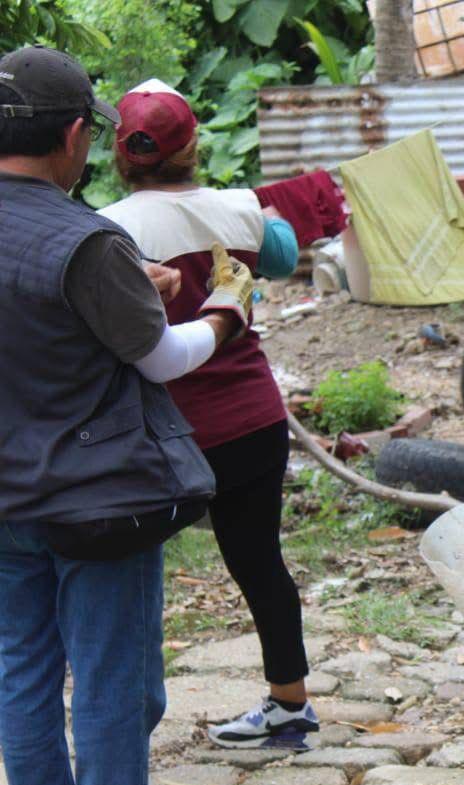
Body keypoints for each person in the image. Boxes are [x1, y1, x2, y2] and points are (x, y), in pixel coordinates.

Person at [0, 46, 251, 785]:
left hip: (7, 495)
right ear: (75, 135)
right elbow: (163, 358)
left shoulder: (94, 246)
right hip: (98, 499)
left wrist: (124, 284)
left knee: (23, 676)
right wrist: (226, 314)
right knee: (116, 689)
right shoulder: (86, 239)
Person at [100, 79, 319, 750]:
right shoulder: (242, 208)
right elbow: (281, 256)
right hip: (254, 415)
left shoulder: (109, 226)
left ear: (120, 153)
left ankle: (120, 719)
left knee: (126, 574)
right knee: (260, 562)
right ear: (194, 146)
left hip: (166, 430)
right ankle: (290, 705)